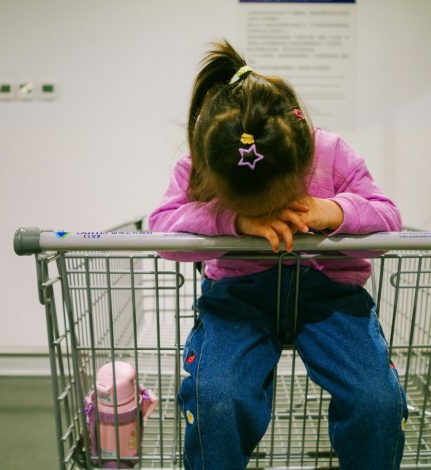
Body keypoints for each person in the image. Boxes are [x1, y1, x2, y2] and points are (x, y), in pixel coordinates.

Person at [148, 40, 406, 470]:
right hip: (239, 297)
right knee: (217, 398)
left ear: (302, 156)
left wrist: (335, 210)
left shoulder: (331, 152)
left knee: (377, 400)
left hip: (330, 297)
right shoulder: (205, 160)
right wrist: (232, 220)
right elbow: (163, 231)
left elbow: (389, 221)